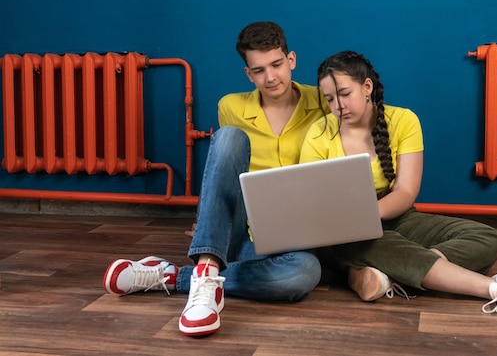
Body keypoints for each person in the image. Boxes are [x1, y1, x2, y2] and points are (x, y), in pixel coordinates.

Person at [102, 21, 329, 336]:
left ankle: (176, 277)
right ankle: (208, 269)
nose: (271, 77)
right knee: (230, 137)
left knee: (304, 274)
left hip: (296, 234)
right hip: (243, 231)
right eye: (259, 70)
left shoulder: (323, 102)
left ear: (291, 59)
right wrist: (211, 219)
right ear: (248, 74)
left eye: (276, 65)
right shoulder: (231, 106)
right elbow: (227, 173)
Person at [299, 50, 497, 314]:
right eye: (329, 99)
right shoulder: (319, 132)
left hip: (395, 214)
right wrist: (357, 220)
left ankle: (383, 274)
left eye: (344, 94)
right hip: (345, 230)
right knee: (373, 244)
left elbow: (406, 192)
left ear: (366, 87)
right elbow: (316, 202)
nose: (338, 106)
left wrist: (370, 214)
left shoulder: (404, 120)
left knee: (487, 237)